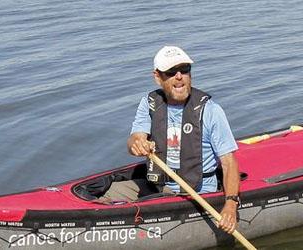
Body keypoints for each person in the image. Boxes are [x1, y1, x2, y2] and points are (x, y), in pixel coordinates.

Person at [99, 45, 241, 234]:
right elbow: (134, 139)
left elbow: (229, 163)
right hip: (158, 186)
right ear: (158, 77)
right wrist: (137, 144)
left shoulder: (211, 111)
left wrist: (230, 205)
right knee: (107, 195)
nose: (179, 76)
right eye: (171, 72)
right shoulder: (149, 103)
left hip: (195, 192)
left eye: (185, 70)